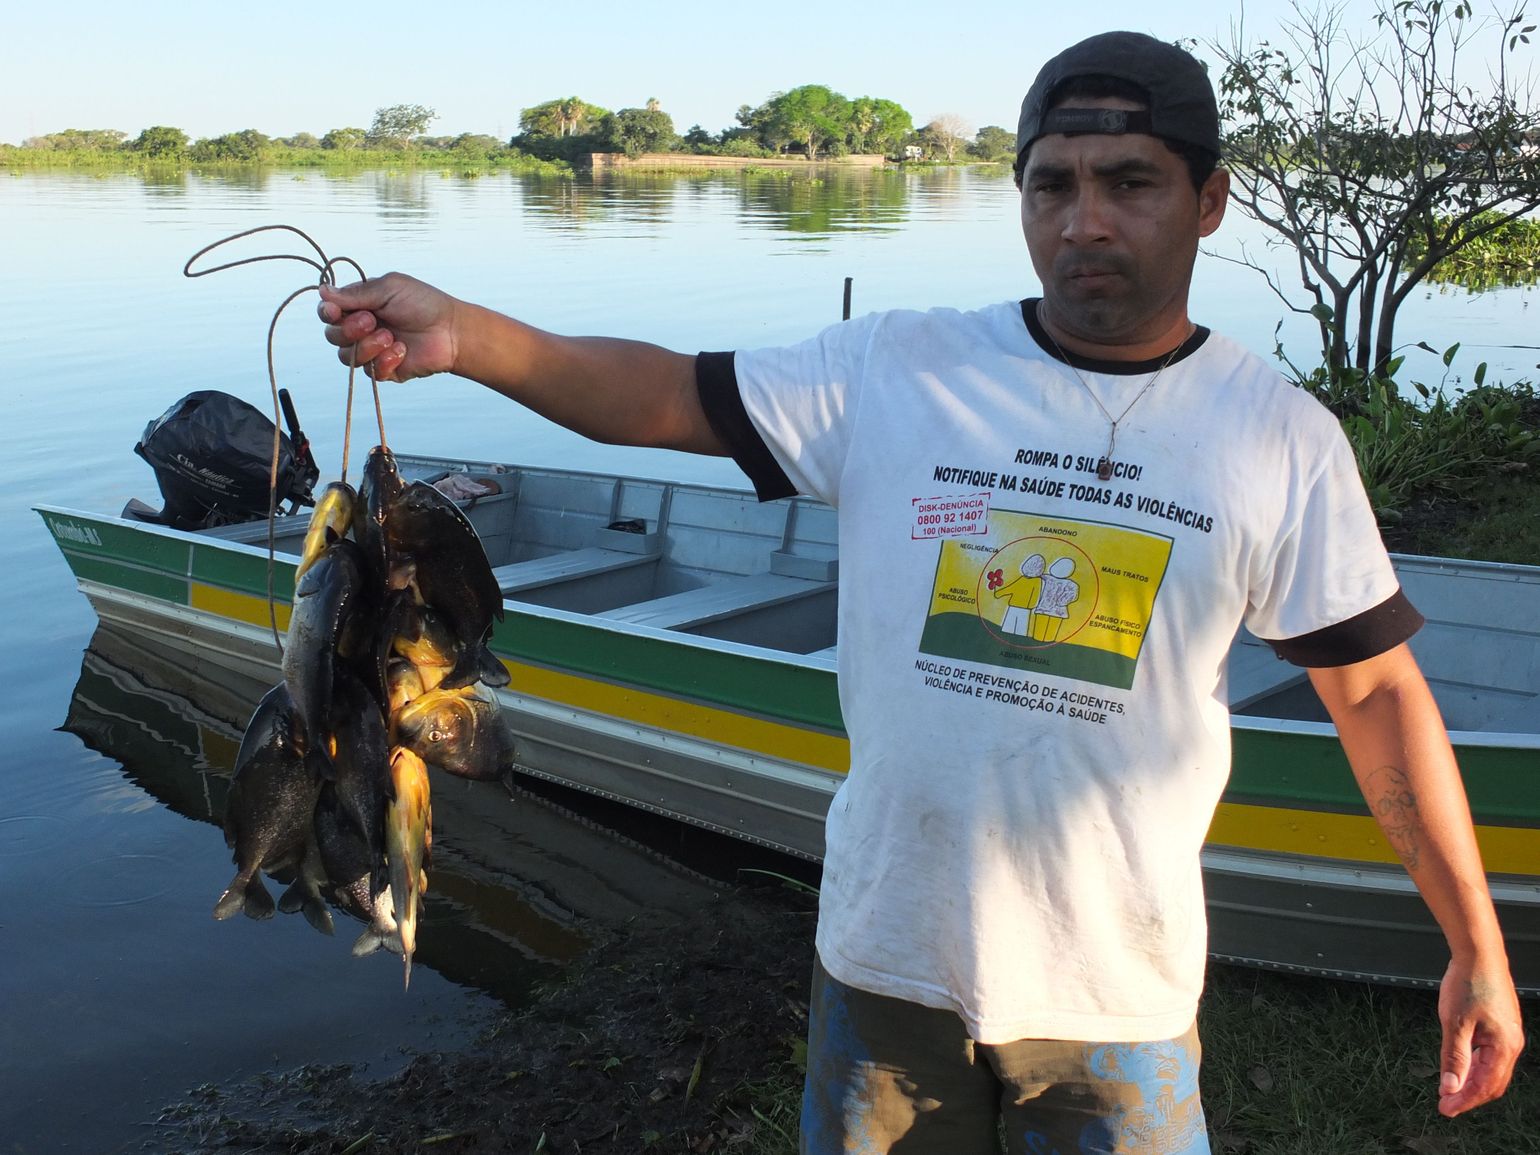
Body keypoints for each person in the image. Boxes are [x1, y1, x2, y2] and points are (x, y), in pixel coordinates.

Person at [319, 31, 1524, 1154]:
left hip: (1121, 996)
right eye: (1051, 185)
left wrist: (1475, 943)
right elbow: (666, 394)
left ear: (1208, 201)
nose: (1084, 221)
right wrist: (463, 335)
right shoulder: (902, 367)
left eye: (1129, 183)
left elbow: (1371, 693)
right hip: (887, 964)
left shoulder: (1278, 438)